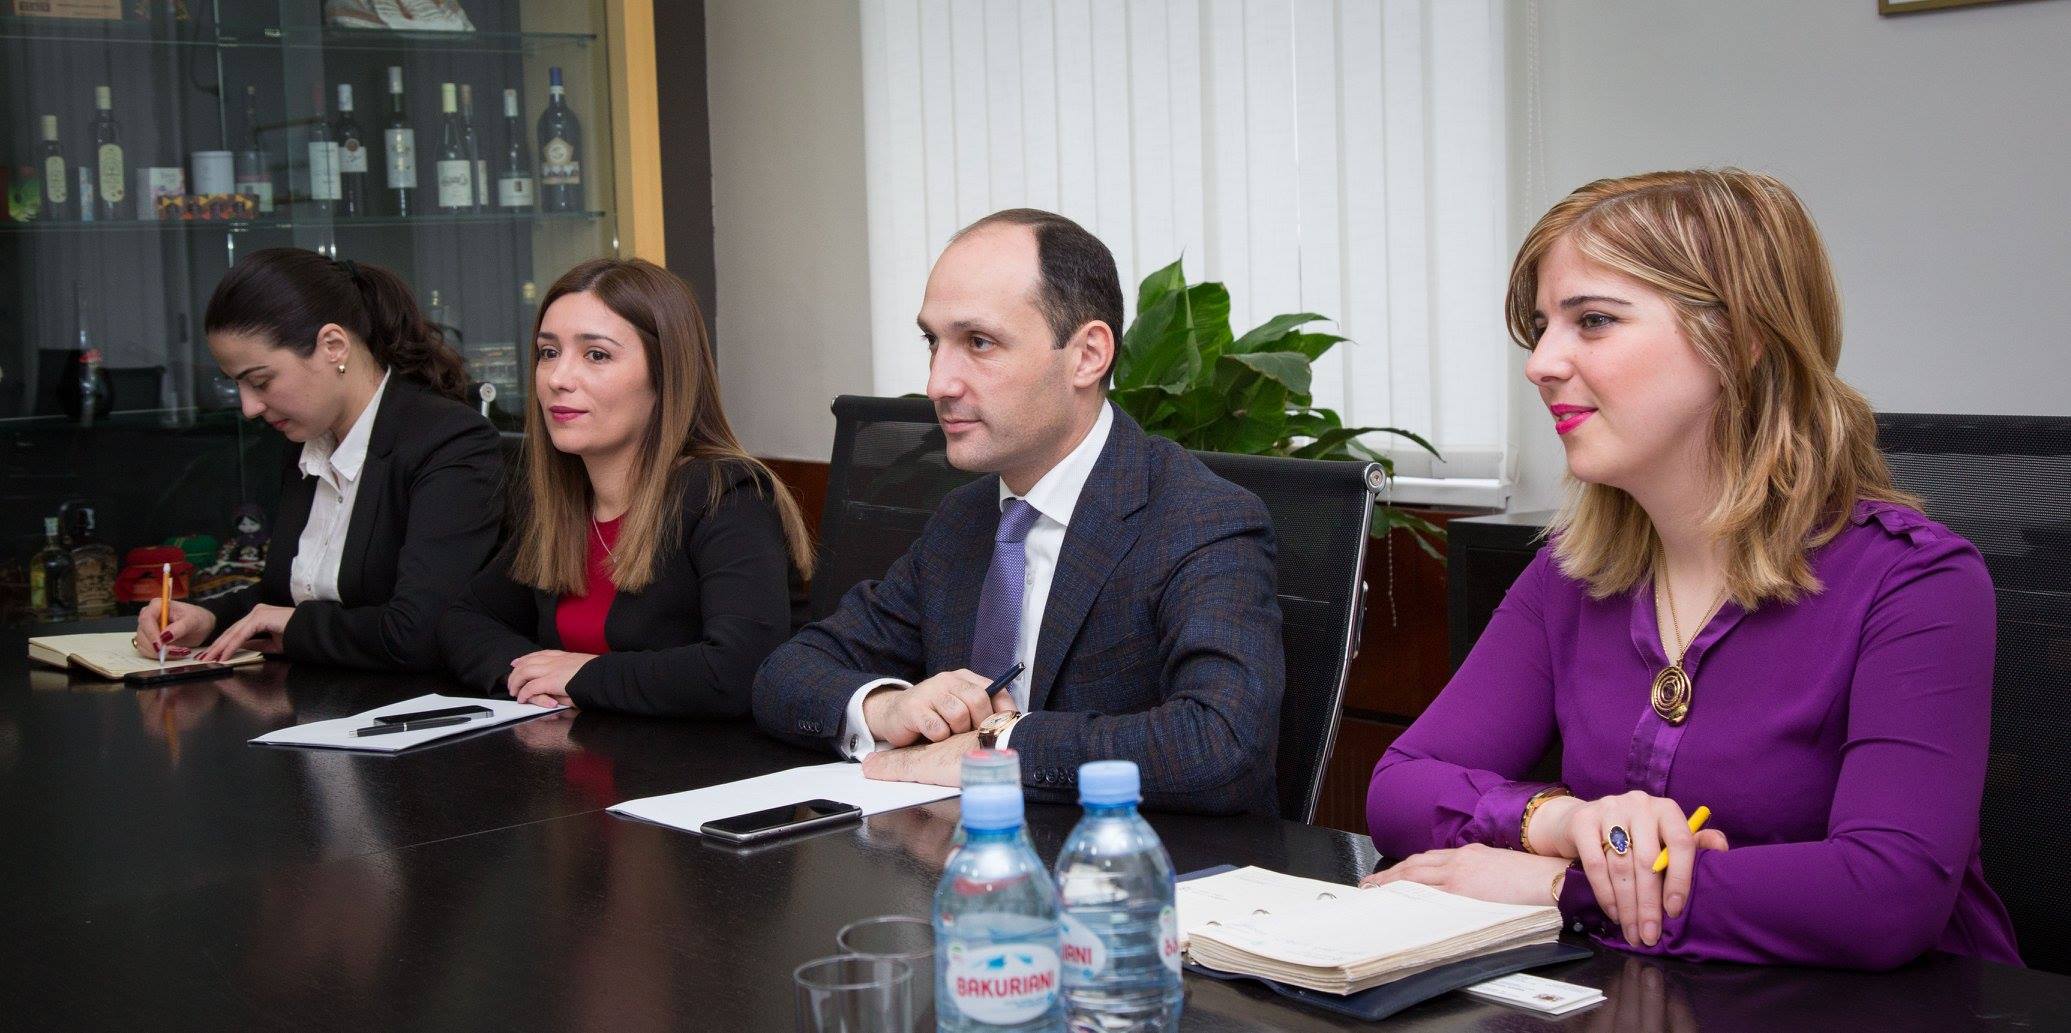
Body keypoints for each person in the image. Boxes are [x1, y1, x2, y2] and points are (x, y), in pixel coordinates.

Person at [1361, 169, 2020, 969]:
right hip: (1658, 997)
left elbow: (1884, 895)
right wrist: (1565, 821)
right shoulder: (1570, 575)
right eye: (1540, 326)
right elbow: (1400, 785)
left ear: (1739, 338)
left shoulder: (1914, 581)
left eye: (1592, 320)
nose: (1540, 362)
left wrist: (1561, 887)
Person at [752, 208, 1285, 816]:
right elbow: (787, 674)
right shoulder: (966, 520)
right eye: (933, 343)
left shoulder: (1200, 519)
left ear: (1087, 356)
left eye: (979, 343)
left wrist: (994, 746)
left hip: (1133, 863)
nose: (938, 384)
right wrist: (887, 706)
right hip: (952, 852)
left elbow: (1220, 741)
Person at [438, 258, 812, 717]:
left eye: (596, 355)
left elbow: (740, 670)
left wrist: (583, 676)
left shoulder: (726, 495)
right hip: (578, 748)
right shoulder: (566, 504)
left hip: (698, 760)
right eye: (548, 352)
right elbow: (466, 620)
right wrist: (534, 677)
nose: (557, 379)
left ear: (665, 374)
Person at [134, 248, 502, 671]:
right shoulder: (308, 437)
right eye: (238, 385)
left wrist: (294, 627)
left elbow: (419, 632)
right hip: (320, 695)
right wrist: (210, 617)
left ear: (333, 346)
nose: (249, 407)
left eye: (260, 381)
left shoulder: (449, 441)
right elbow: (291, 597)